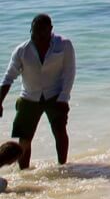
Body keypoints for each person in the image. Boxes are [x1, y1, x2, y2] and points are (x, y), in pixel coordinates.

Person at [2, 15, 74, 170]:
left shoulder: (64, 45)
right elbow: (8, 77)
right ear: (31, 31)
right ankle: (24, 172)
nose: (38, 39)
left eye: (42, 35)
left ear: (51, 31)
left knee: (60, 132)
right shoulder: (22, 51)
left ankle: (63, 166)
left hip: (55, 96)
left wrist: (63, 98)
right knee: (24, 138)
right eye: (34, 34)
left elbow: (69, 73)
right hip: (29, 97)